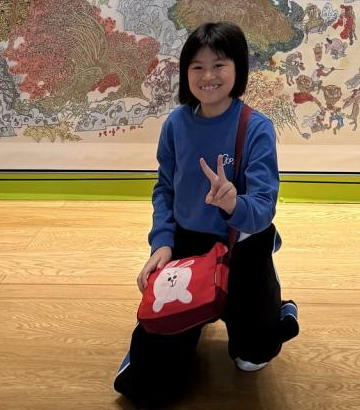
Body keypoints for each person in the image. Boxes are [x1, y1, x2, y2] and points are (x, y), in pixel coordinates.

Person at [114, 22, 299, 407]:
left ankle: (271, 303)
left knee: (253, 357)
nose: (208, 76)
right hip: (188, 243)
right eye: (197, 66)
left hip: (241, 244)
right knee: (147, 385)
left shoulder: (256, 127)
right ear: (186, 73)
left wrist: (233, 204)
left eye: (219, 65)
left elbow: (262, 209)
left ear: (238, 69)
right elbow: (164, 189)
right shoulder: (176, 124)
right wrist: (162, 244)